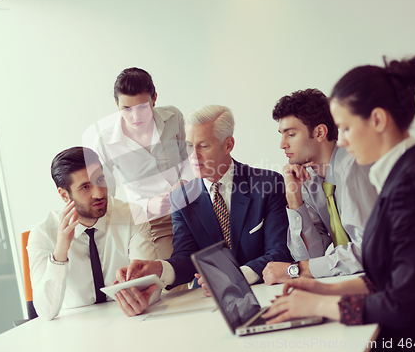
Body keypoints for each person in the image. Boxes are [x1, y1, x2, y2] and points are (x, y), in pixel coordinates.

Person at [263, 55, 415, 344]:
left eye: (348, 128)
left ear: (377, 120)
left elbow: (402, 305)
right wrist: (324, 291)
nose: (343, 140)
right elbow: (386, 274)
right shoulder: (399, 178)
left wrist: (318, 306)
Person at [114, 105, 292, 316]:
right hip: (209, 303)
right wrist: (159, 269)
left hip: (264, 295)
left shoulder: (268, 184)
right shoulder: (181, 197)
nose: (193, 156)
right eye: (189, 146)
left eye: (204, 146)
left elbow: (279, 251)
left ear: (228, 145)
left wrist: (234, 276)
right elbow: (186, 259)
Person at [27, 147, 159, 320]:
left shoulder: (132, 215)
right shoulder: (43, 234)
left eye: (100, 180)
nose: (98, 193)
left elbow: (151, 286)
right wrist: (60, 252)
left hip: (128, 321)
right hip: (73, 331)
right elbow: (45, 312)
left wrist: (143, 298)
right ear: (64, 195)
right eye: (85, 187)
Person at [262, 89, 377, 283]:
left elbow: (368, 252)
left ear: (320, 132)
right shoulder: (309, 179)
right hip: (351, 283)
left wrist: (294, 271)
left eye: (290, 134)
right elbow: (311, 256)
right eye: (282, 135)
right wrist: (294, 198)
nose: (282, 144)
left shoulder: (355, 167)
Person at [83, 68, 191, 260]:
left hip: (192, 207)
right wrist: (148, 205)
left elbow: (189, 159)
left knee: (218, 267)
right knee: (172, 280)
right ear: (117, 104)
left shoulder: (173, 117)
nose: (135, 117)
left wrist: (184, 182)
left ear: (154, 98)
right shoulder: (106, 142)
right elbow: (106, 197)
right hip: (152, 222)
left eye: (143, 106)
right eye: (127, 109)